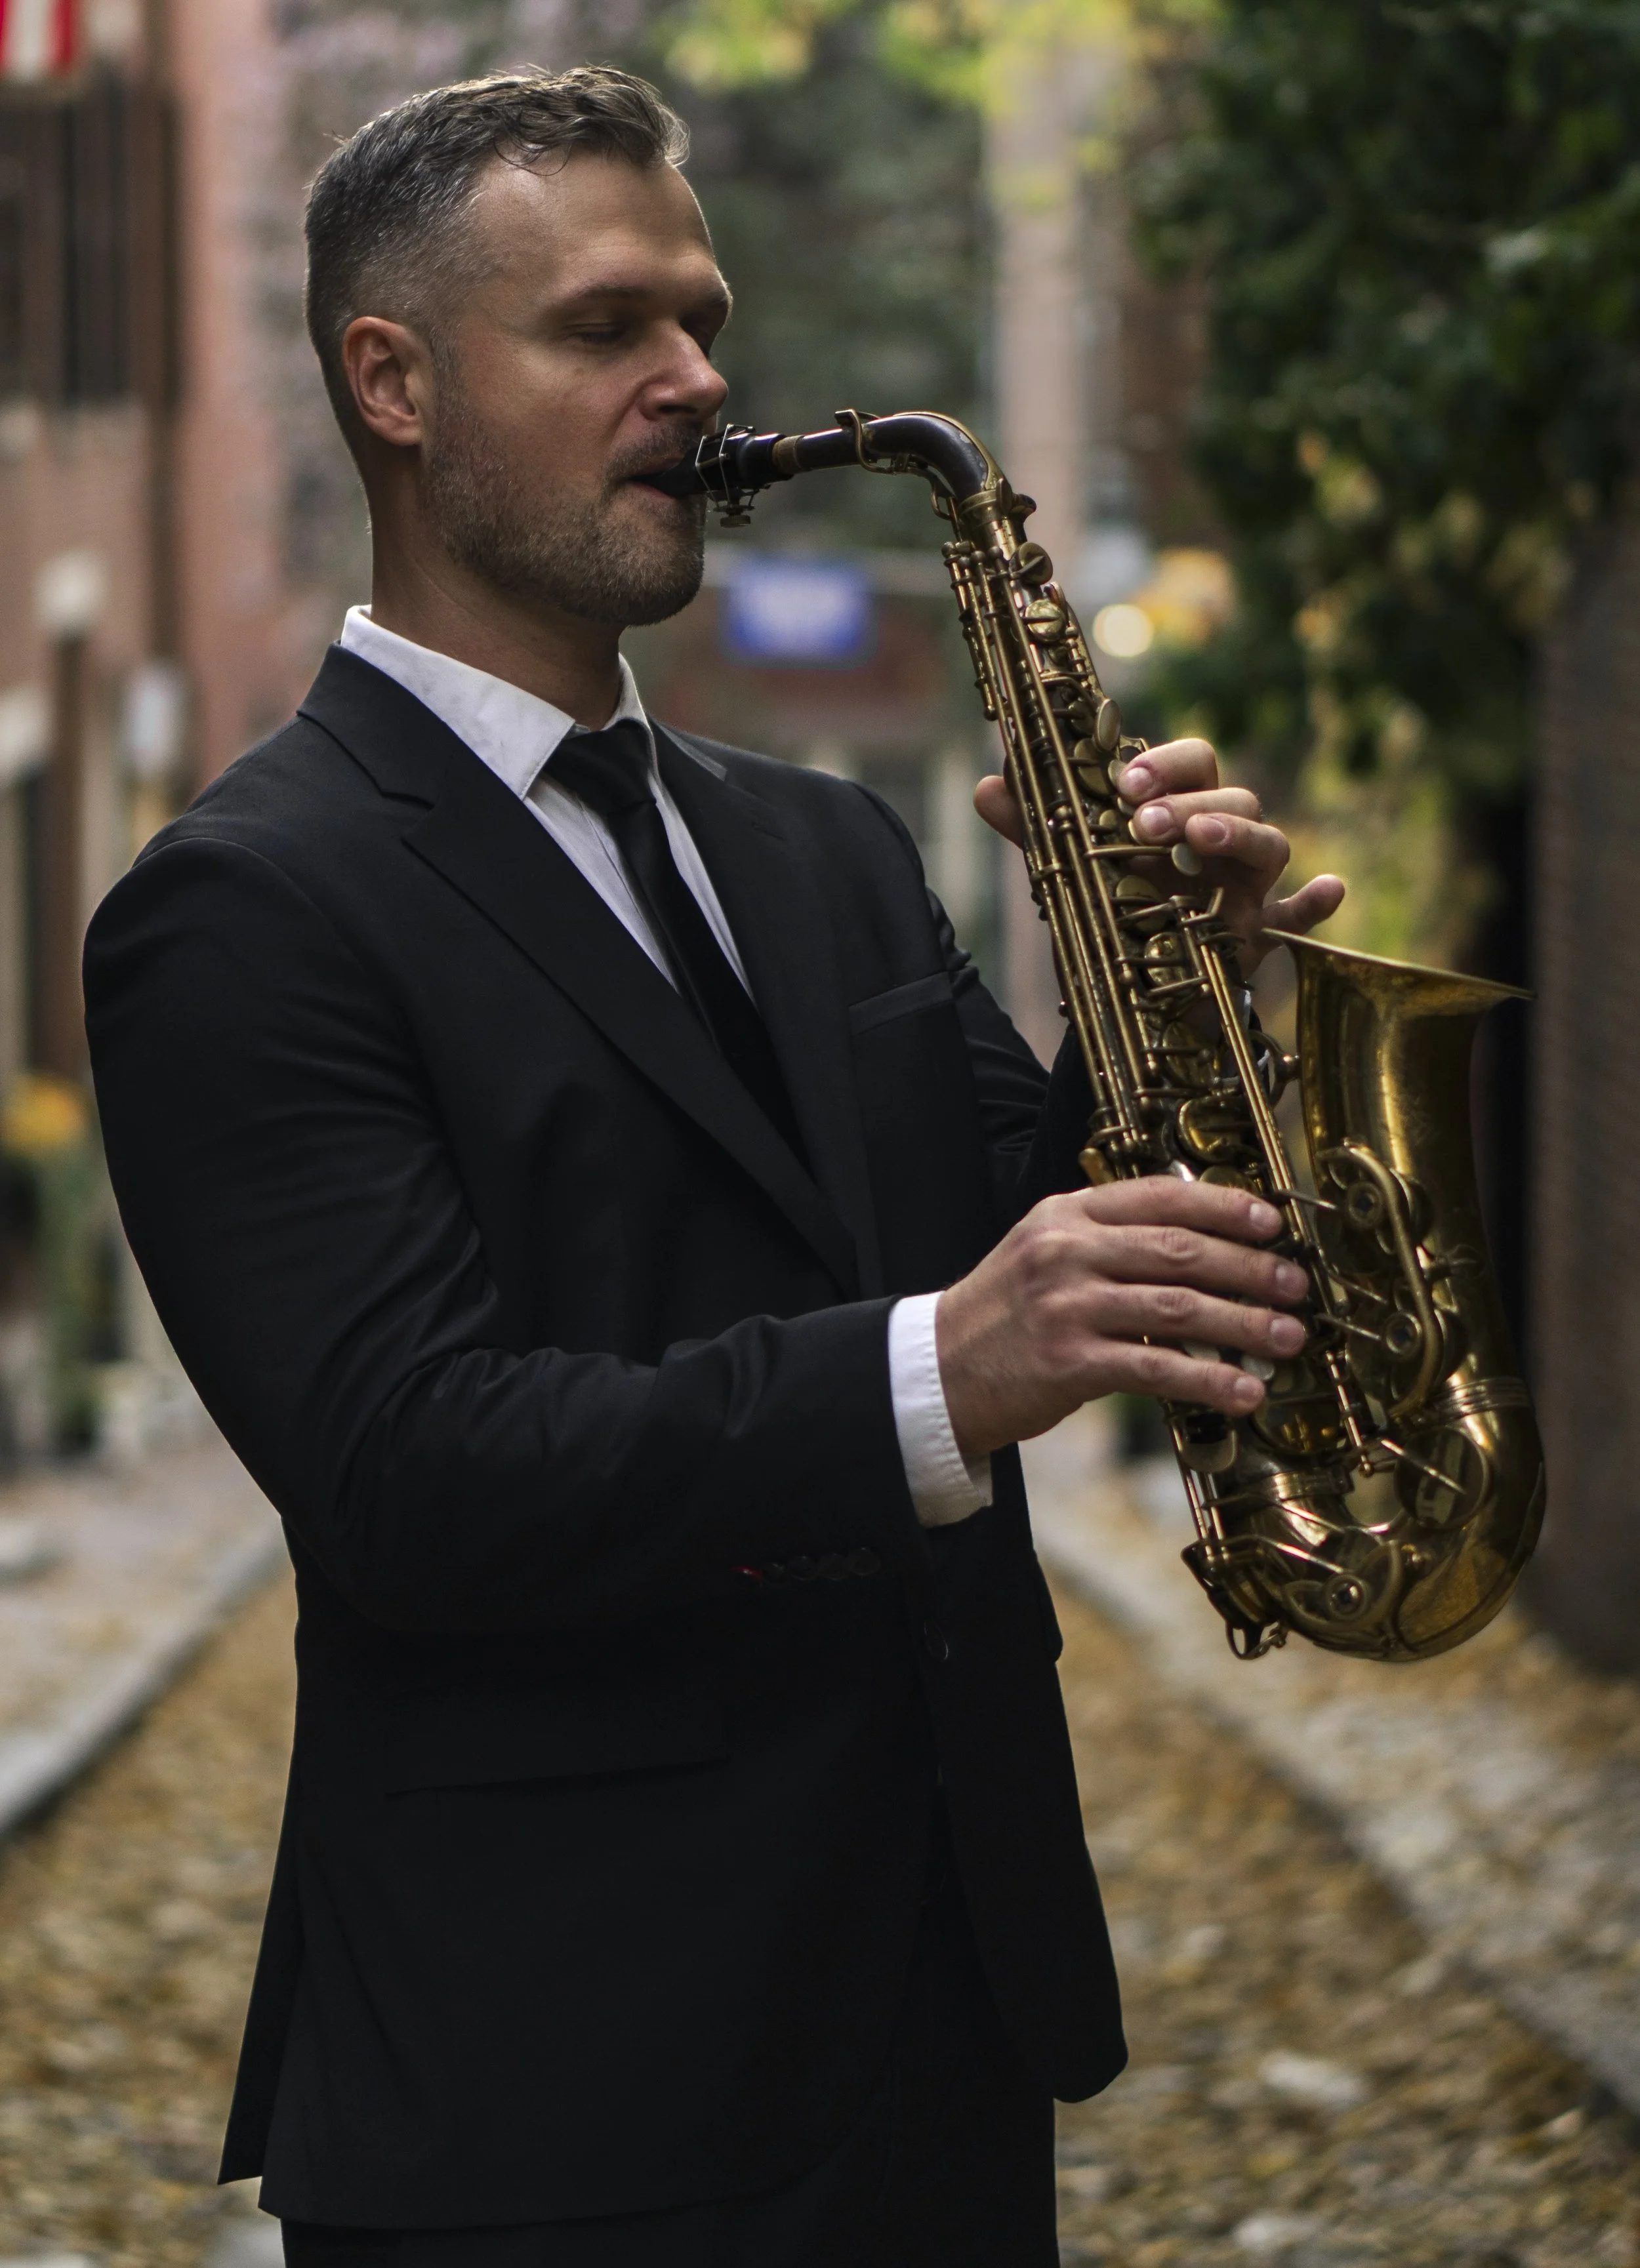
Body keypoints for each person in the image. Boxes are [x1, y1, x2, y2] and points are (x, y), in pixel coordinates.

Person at [83, 66, 1343, 2268]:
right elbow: (410, 1474)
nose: (697, 380)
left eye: (703, 317)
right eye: (602, 329)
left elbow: (982, 1237)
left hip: (946, 2016)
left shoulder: (822, 843)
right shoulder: (243, 909)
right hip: (552, 2087)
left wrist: (1181, 1009)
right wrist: (948, 1365)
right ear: (391, 381)